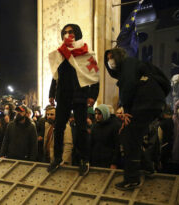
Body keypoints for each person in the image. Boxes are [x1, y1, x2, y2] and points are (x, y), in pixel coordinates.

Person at [105, 47, 167, 190]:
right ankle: (148, 168)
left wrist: (126, 111)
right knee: (133, 134)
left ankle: (132, 179)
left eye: (111, 57)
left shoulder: (128, 65)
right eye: (107, 58)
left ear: (119, 56)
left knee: (129, 137)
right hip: (153, 103)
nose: (109, 61)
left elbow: (128, 86)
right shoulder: (134, 65)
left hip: (145, 103)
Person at [47, 24, 100, 175]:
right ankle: (57, 159)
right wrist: (51, 94)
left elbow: (94, 77)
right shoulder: (60, 53)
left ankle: (84, 160)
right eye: (65, 32)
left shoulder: (86, 54)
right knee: (58, 128)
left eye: (70, 32)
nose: (67, 34)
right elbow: (55, 75)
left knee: (82, 129)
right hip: (63, 95)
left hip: (80, 95)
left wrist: (92, 95)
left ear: (77, 33)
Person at [90, 104, 121, 169]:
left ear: (105, 113)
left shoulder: (114, 126)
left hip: (108, 162)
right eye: (95, 114)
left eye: (99, 114)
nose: (97, 116)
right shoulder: (94, 127)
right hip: (95, 161)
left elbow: (117, 146)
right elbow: (91, 144)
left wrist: (114, 162)